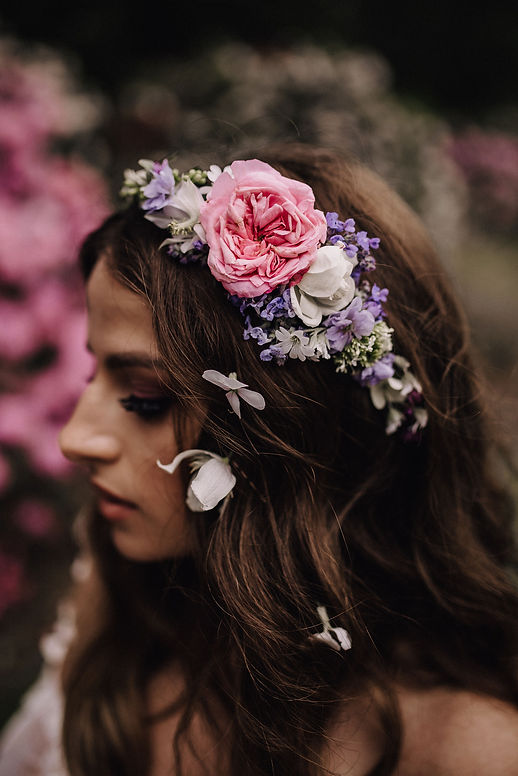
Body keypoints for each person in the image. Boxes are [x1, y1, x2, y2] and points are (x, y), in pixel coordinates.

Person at [2, 143, 518, 776]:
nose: (75, 439)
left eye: (144, 398)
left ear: (304, 436)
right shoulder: (114, 630)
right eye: (92, 374)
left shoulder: (465, 752)